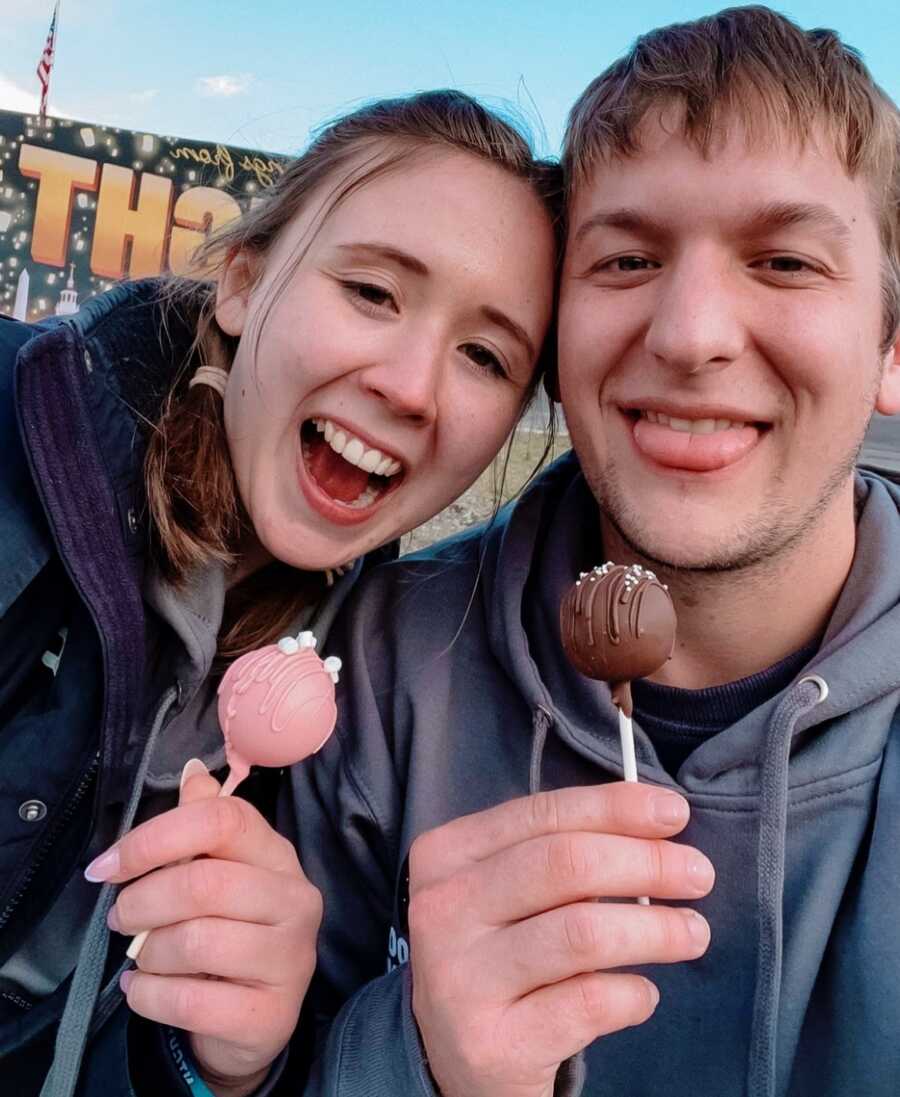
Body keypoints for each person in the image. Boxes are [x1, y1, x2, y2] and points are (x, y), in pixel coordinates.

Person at [291, 8, 900, 1097]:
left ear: (892, 349)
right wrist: (406, 1062)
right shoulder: (378, 661)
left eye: (785, 260)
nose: (689, 331)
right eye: (626, 256)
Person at [0, 90, 558, 1097]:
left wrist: (219, 1061)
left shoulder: (361, 679)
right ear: (246, 284)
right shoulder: (13, 439)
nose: (413, 385)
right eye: (375, 292)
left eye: (486, 355)